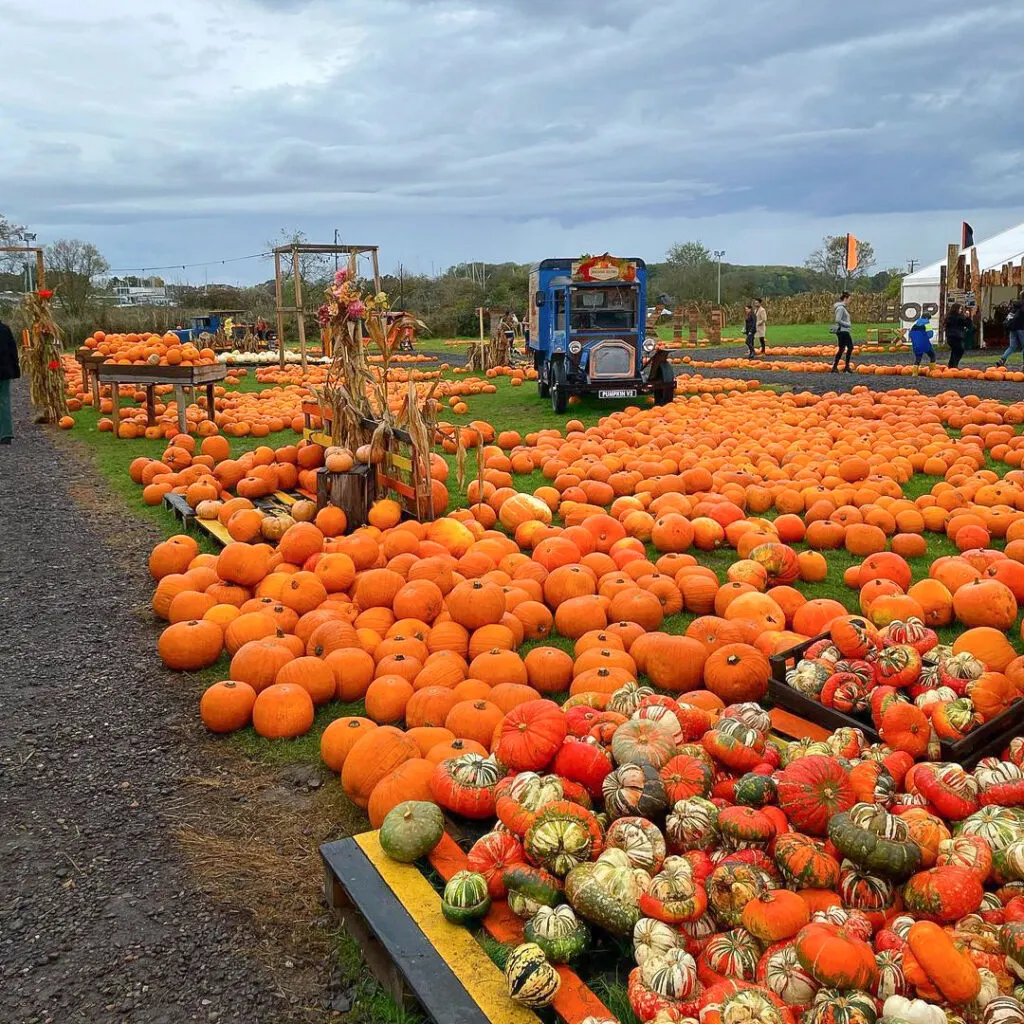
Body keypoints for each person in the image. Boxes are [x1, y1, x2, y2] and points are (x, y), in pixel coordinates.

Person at [0, 316, 20, 445]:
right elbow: (13, 350)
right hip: (4, 371)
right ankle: (6, 434)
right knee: (4, 400)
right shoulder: (5, 329)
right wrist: (15, 368)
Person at [996, 300, 1024, 367]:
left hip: (1012, 329)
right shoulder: (1022, 308)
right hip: (1021, 329)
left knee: (1012, 347)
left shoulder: (1014, 309)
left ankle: (1002, 359)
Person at [830, 291, 854, 372]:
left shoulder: (842, 308)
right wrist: (847, 324)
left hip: (842, 331)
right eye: (849, 299)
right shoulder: (840, 308)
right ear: (845, 298)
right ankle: (846, 366)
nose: (850, 301)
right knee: (850, 347)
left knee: (842, 348)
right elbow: (838, 320)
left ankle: (835, 367)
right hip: (843, 331)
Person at [944, 303, 970, 368]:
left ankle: (951, 365)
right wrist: (967, 317)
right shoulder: (958, 317)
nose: (961, 310)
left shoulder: (949, 316)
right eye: (960, 309)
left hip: (951, 337)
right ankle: (954, 365)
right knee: (959, 351)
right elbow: (966, 324)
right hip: (956, 336)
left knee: (955, 351)